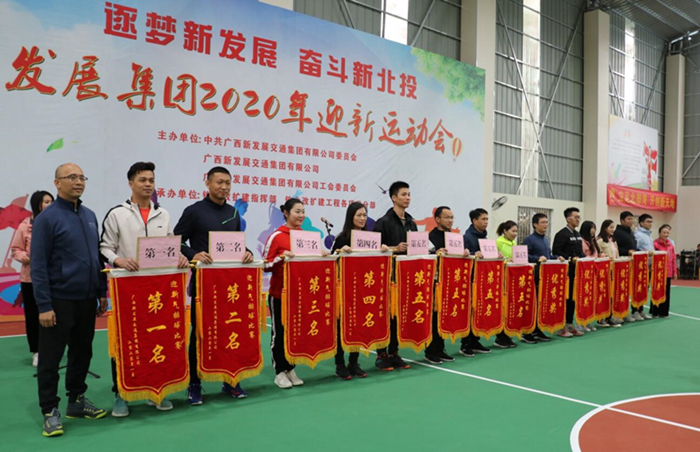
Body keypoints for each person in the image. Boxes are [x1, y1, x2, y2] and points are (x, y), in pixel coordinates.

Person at [100, 162, 189, 417]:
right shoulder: (117, 214)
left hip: (159, 291)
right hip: (128, 289)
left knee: (159, 338)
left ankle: (156, 391)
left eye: (151, 180)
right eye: (142, 180)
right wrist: (118, 260)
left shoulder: (164, 214)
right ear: (131, 183)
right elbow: (105, 247)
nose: (148, 184)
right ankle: (122, 394)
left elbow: (170, 246)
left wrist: (179, 256)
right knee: (126, 341)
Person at [31, 163, 108, 437]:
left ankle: (76, 400)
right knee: (50, 358)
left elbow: (96, 257)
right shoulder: (47, 219)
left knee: (82, 352)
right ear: (57, 183)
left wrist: (101, 291)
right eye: (71, 177)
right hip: (58, 300)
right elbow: (38, 264)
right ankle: (49, 410)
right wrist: (44, 305)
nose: (78, 182)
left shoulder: (90, 216)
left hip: (86, 299)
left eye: (81, 177)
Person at [173, 166, 253, 404]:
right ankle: (194, 384)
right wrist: (194, 254)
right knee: (200, 334)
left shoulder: (233, 213)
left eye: (228, 183)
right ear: (207, 183)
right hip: (204, 284)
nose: (224, 187)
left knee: (230, 331)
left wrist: (247, 252)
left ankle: (230, 380)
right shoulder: (194, 211)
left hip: (230, 286)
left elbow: (237, 244)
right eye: (219, 182)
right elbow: (176, 241)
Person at [264, 198, 328, 388]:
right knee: (279, 334)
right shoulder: (277, 236)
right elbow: (265, 265)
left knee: (295, 333)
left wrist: (322, 254)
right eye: (297, 211)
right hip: (279, 294)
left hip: (299, 296)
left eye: (303, 212)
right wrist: (280, 258)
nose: (301, 215)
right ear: (286, 213)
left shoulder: (307, 237)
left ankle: (290, 368)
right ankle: (279, 372)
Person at [332, 202, 389, 377]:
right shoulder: (342, 237)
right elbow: (331, 261)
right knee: (342, 328)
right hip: (344, 292)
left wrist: (383, 249)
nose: (363, 218)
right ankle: (340, 364)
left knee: (357, 326)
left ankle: (353, 362)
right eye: (359, 215)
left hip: (362, 291)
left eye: (365, 215)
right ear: (350, 217)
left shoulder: (370, 238)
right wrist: (340, 252)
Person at [372, 181, 415, 371]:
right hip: (387, 276)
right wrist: (394, 248)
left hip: (405, 276)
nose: (407, 198)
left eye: (409, 194)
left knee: (399, 315)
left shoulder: (412, 222)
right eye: (404, 194)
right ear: (394, 197)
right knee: (385, 315)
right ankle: (381, 354)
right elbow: (374, 248)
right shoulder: (383, 222)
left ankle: (394, 352)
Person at [11, 190, 53, 367]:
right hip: (31, 279)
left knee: (56, 315)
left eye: (52, 201)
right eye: (46, 202)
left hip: (54, 279)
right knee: (34, 316)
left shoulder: (56, 223)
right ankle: (37, 351)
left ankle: (52, 349)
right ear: (37, 205)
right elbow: (16, 250)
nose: (50, 205)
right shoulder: (25, 226)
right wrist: (28, 258)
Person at [424, 206, 469, 364]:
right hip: (435, 282)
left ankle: (440, 348)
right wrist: (435, 252)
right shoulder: (430, 237)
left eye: (452, 217)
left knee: (444, 316)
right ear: (437, 219)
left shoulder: (454, 237)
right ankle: (430, 351)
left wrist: (465, 252)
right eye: (447, 217)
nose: (450, 220)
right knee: (434, 317)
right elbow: (425, 255)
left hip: (450, 283)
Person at [522, 213, 563, 342]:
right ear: (535, 224)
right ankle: (527, 332)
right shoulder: (529, 240)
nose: (546, 225)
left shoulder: (545, 240)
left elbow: (548, 256)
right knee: (531, 305)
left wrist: (557, 257)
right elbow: (523, 256)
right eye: (543, 222)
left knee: (540, 305)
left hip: (545, 277)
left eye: (547, 222)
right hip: (533, 277)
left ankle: (537, 329)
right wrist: (536, 258)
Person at [460, 208, 491, 357]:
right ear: (474, 221)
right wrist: (473, 254)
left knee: (479, 310)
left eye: (487, 219)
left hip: (482, 279)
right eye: (483, 219)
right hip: (470, 280)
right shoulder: (467, 237)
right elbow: (462, 256)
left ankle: (475, 340)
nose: (486, 222)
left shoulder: (484, 237)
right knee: (469, 311)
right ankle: (466, 343)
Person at [552, 207, 585, 338]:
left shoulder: (578, 234)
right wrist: (570, 258)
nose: (578, 220)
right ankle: (561, 327)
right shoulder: (561, 234)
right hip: (566, 274)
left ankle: (570, 324)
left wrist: (585, 259)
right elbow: (556, 252)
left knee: (573, 300)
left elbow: (580, 252)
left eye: (579, 217)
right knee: (565, 300)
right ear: (568, 219)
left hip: (577, 273)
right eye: (576, 217)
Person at [493, 221, 518, 348]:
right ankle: (500, 336)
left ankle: (507, 334)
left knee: (510, 308)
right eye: (513, 231)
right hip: (501, 279)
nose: (515, 234)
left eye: (516, 231)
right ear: (505, 231)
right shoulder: (498, 242)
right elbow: (494, 259)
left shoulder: (514, 243)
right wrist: (505, 260)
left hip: (512, 279)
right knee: (502, 308)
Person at [613, 211, 640, 323]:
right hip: (621, 264)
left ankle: (627, 312)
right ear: (622, 220)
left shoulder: (631, 232)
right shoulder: (618, 233)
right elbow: (616, 249)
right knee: (621, 290)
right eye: (628, 219)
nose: (631, 221)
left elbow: (633, 246)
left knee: (628, 290)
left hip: (631, 264)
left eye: (632, 219)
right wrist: (627, 251)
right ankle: (619, 313)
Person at [597, 219, 623, 327]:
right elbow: (598, 255)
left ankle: (610, 316)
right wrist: (604, 256)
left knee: (612, 294)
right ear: (605, 228)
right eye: (611, 227)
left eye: (613, 227)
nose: (613, 230)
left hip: (614, 270)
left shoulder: (613, 241)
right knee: (603, 294)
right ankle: (601, 318)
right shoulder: (600, 241)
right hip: (605, 271)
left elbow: (617, 254)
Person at [579, 221, 604, 331]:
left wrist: (602, 256)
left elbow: (596, 254)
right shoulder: (582, 241)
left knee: (591, 298)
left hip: (594, 272)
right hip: (585, 273)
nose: (594, 230)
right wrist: (592, 260)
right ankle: (581, 322)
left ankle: (588, 321)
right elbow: (583, 256)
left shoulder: (593, 241)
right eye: (591, 228)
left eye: (594, 228)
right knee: (583, 297)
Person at [652, 224, 677, 318]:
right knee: (657, 291)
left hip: (668, 272)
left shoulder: (671, 245)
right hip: (658, 272)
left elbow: (673, 259)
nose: (666, 234)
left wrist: (675, 271)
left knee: (666, 292)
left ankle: (664, 312)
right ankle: (655, 311)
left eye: (667, 233)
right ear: (659, 233)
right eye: (664, 232)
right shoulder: (655, 244)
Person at [633, 213, 654, 321]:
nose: (650, 224)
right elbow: (635, 249)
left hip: (648, 266)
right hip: (640, 267)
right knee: (638, 289)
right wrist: (644, 252)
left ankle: (641, 309)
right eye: (648, 221)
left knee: (645, 289)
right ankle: (635, 310)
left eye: (651, 221)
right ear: (641, 223)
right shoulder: (638, 235)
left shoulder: (649, 235)